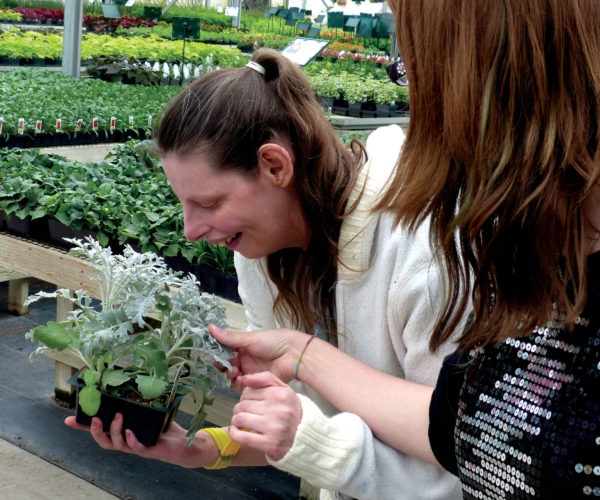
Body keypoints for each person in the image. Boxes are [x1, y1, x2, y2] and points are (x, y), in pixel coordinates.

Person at [208, 1, 600, 498]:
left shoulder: (438, 251)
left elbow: (450, 468)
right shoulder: (535, 248)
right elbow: (454, 426)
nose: (407, 80)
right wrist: (295, 358)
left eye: (416, 59)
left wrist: (310, 434)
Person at [65, 48, 465, 499]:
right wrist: (205, 448)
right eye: (184, 202)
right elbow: (299, 424)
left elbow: (462, 462)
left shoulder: (427, 251)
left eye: (210, 203)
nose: (191, 231)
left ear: (275, 165)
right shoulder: (260, 256)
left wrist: (305, 364)